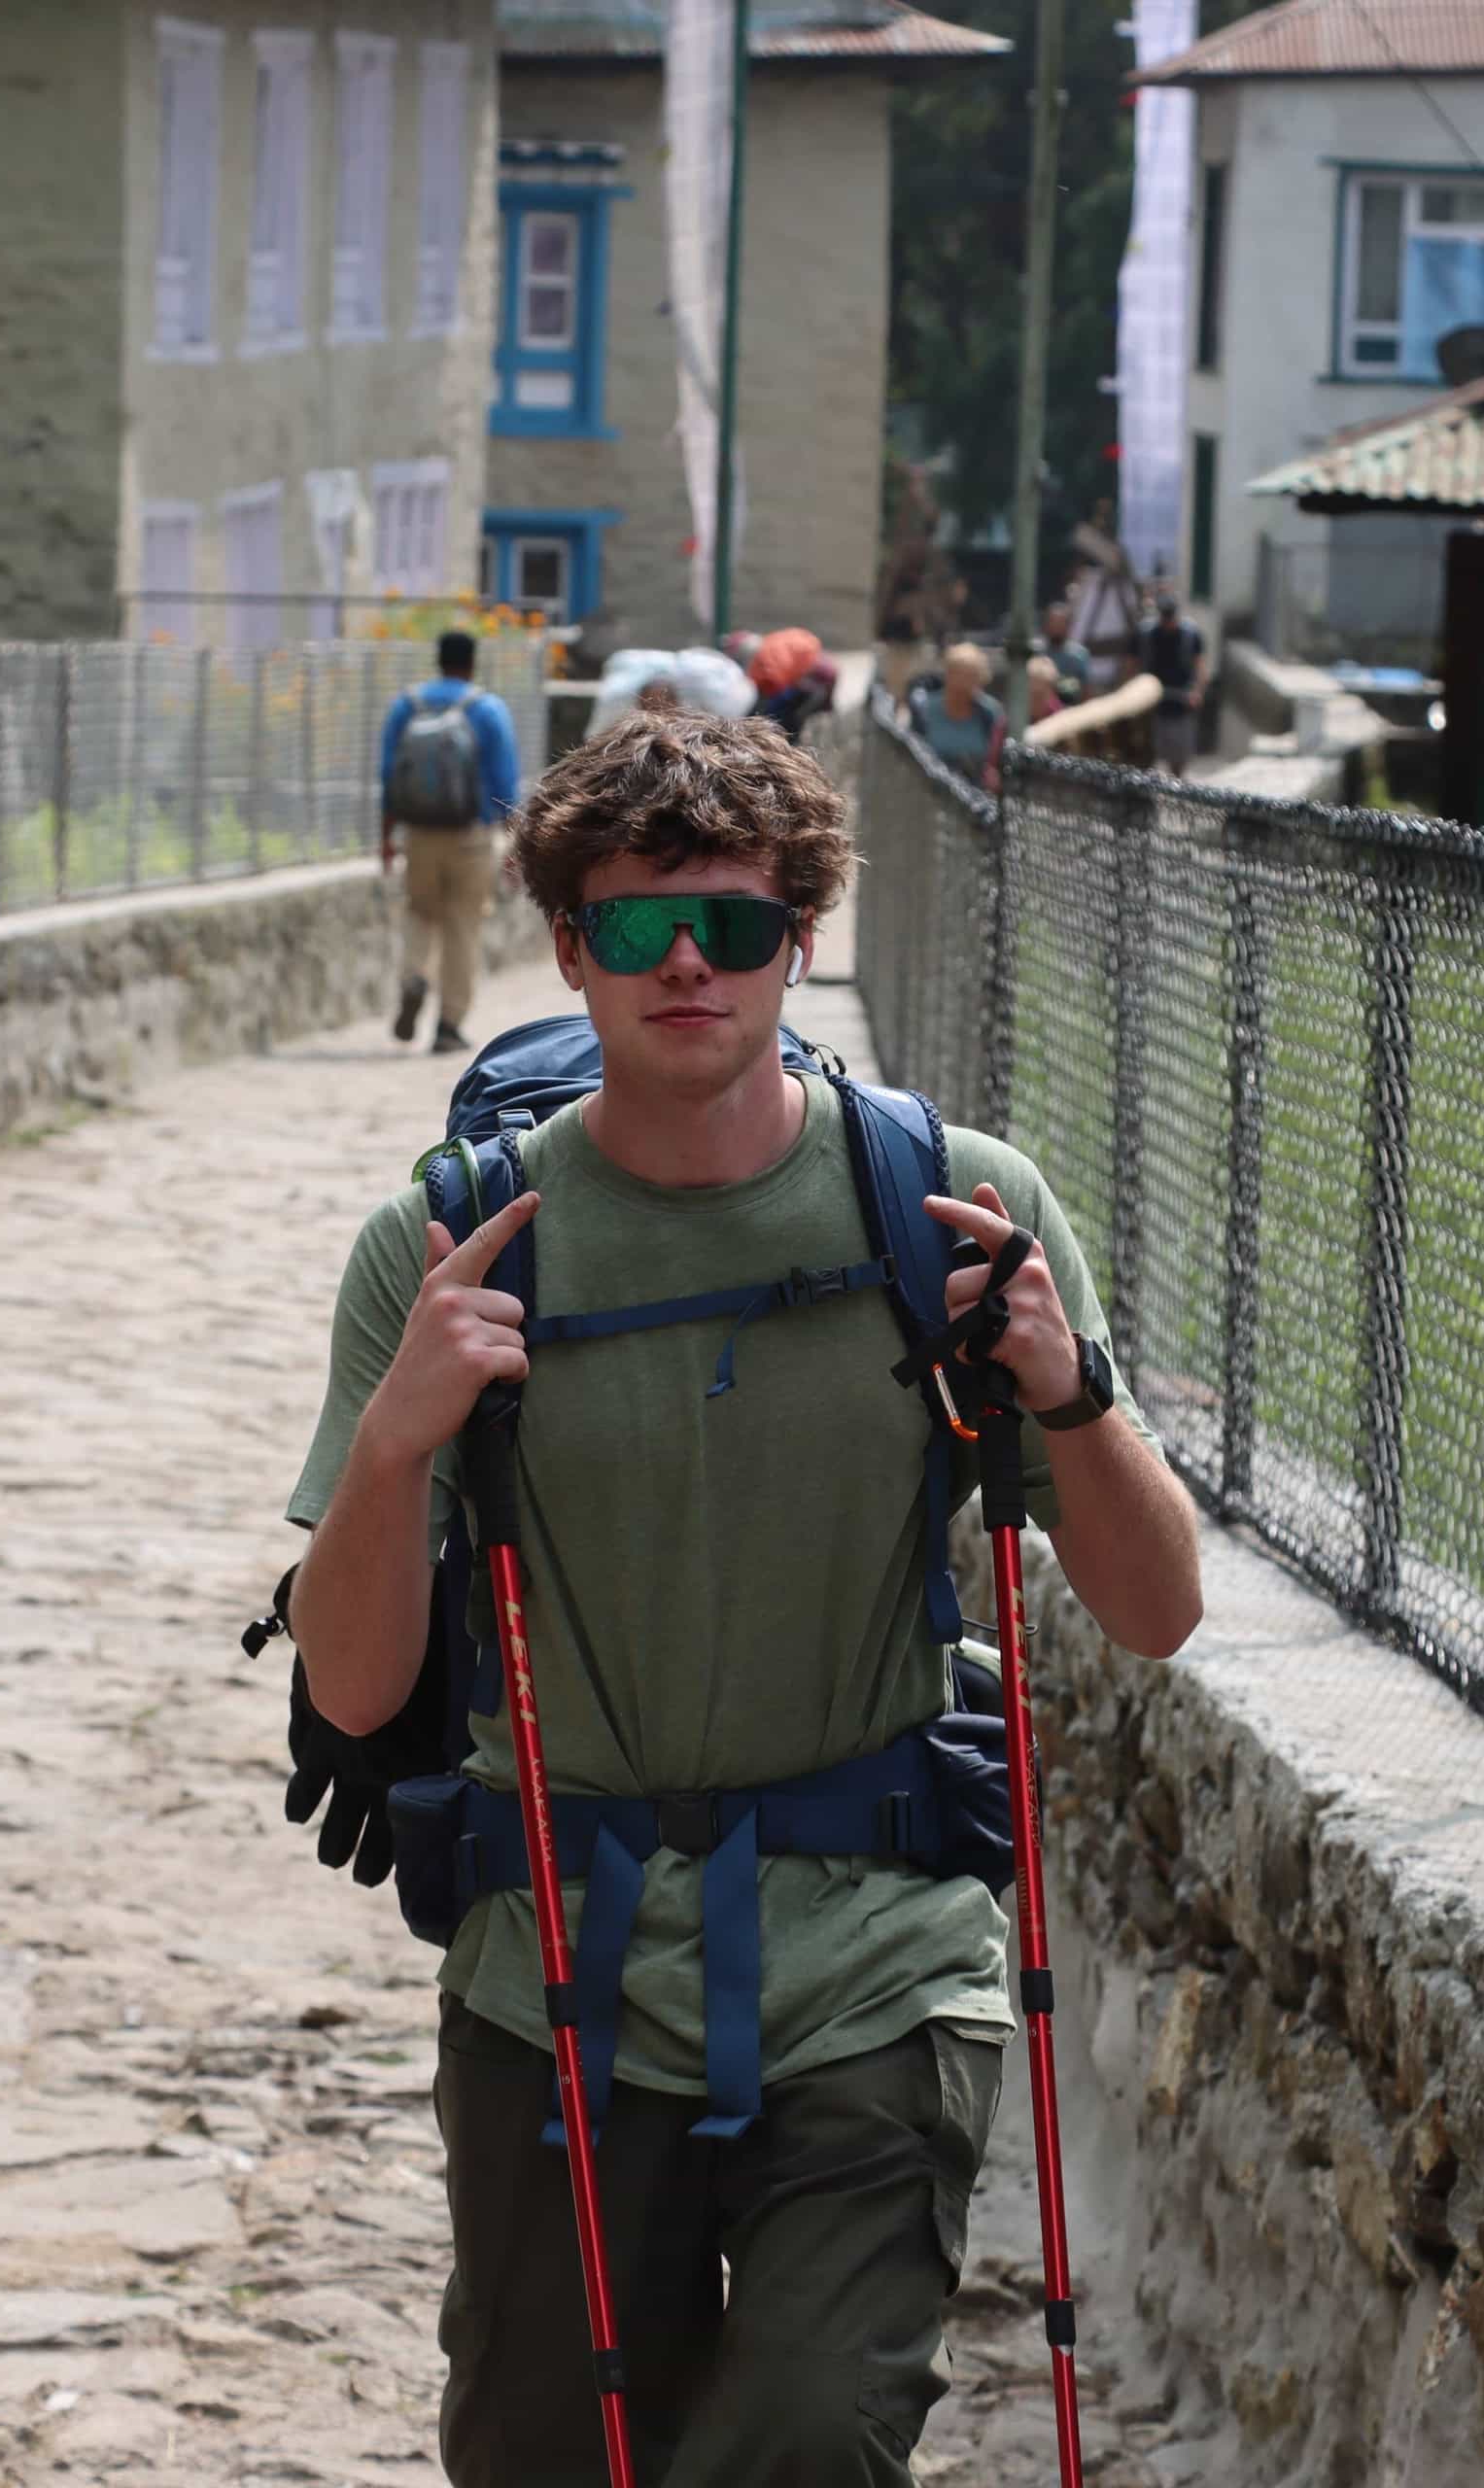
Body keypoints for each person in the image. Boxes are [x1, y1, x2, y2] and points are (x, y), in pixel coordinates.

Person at [284, 707, 1204, 2484]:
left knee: (802, 2443)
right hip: (555, 1963)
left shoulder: (952, 1210)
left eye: (738, 923)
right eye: (634, 926)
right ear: (567, 947)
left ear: (805, 937)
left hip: (873, 1960)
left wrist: (1067, 1389)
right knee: (552, 2457)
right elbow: (351, 1678)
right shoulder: (450, 1244)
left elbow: (1156, 1610)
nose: (686, 962)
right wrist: (399, 1446)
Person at [381, 629, 525, 1057]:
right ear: (471, 662)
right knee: (463, 927)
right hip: (472, 838)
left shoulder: (406, 707)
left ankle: (413, 977)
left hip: (419, 835)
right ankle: (448, 1025)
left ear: (437, 659)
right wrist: (513, 845)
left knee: (420, 914)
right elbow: (505, 785)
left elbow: (389, 778)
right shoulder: (488, 710)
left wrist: (386, 838)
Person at [911, 639, 1005, 791]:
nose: (962, 683)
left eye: (970, 677)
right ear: (947, 675)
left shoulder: (990, 712)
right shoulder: (924, 709)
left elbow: (998, 759)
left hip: (975, 796)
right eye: (957, 674)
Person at [1138, 584, 1209, 777]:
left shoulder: (1190, 635)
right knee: (1149, 755)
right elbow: (1132, 665)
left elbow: (1200, 667)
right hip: (1152, 703)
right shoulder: (1147, 634)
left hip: (1181, 701)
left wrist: (1198, 692)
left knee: (1179, 758)